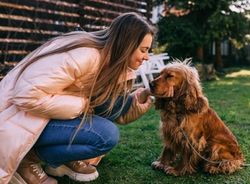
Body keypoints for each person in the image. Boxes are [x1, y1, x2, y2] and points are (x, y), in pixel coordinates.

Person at [0, 12, 154, 184]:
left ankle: (61, 160)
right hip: (17, 117)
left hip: (41, 116)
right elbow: (25, 95)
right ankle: (27, 160)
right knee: (106, 135)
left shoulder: (109, 64)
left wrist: (135, 102)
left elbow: (109, 107)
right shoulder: (83, 55)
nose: (146, 57)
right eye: (143, 50)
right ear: (127, 44)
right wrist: (81, 105)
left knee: (104, 116)